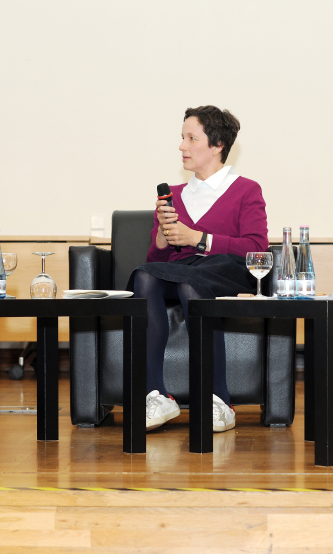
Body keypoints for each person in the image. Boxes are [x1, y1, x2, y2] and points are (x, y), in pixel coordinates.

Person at [132, 106, 269, 433]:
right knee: (143, 275)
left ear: (217, 145)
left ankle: (218, 400)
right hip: (182, 272)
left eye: (192, 138)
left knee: (192, 284)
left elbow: (257, 247)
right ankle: (155, 395)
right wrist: (164, 237)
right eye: (182, 138)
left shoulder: (246, 190)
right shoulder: (174, 197)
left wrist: (200, 239)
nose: (182, 146)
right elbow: (156, 257)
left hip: (227, 271)